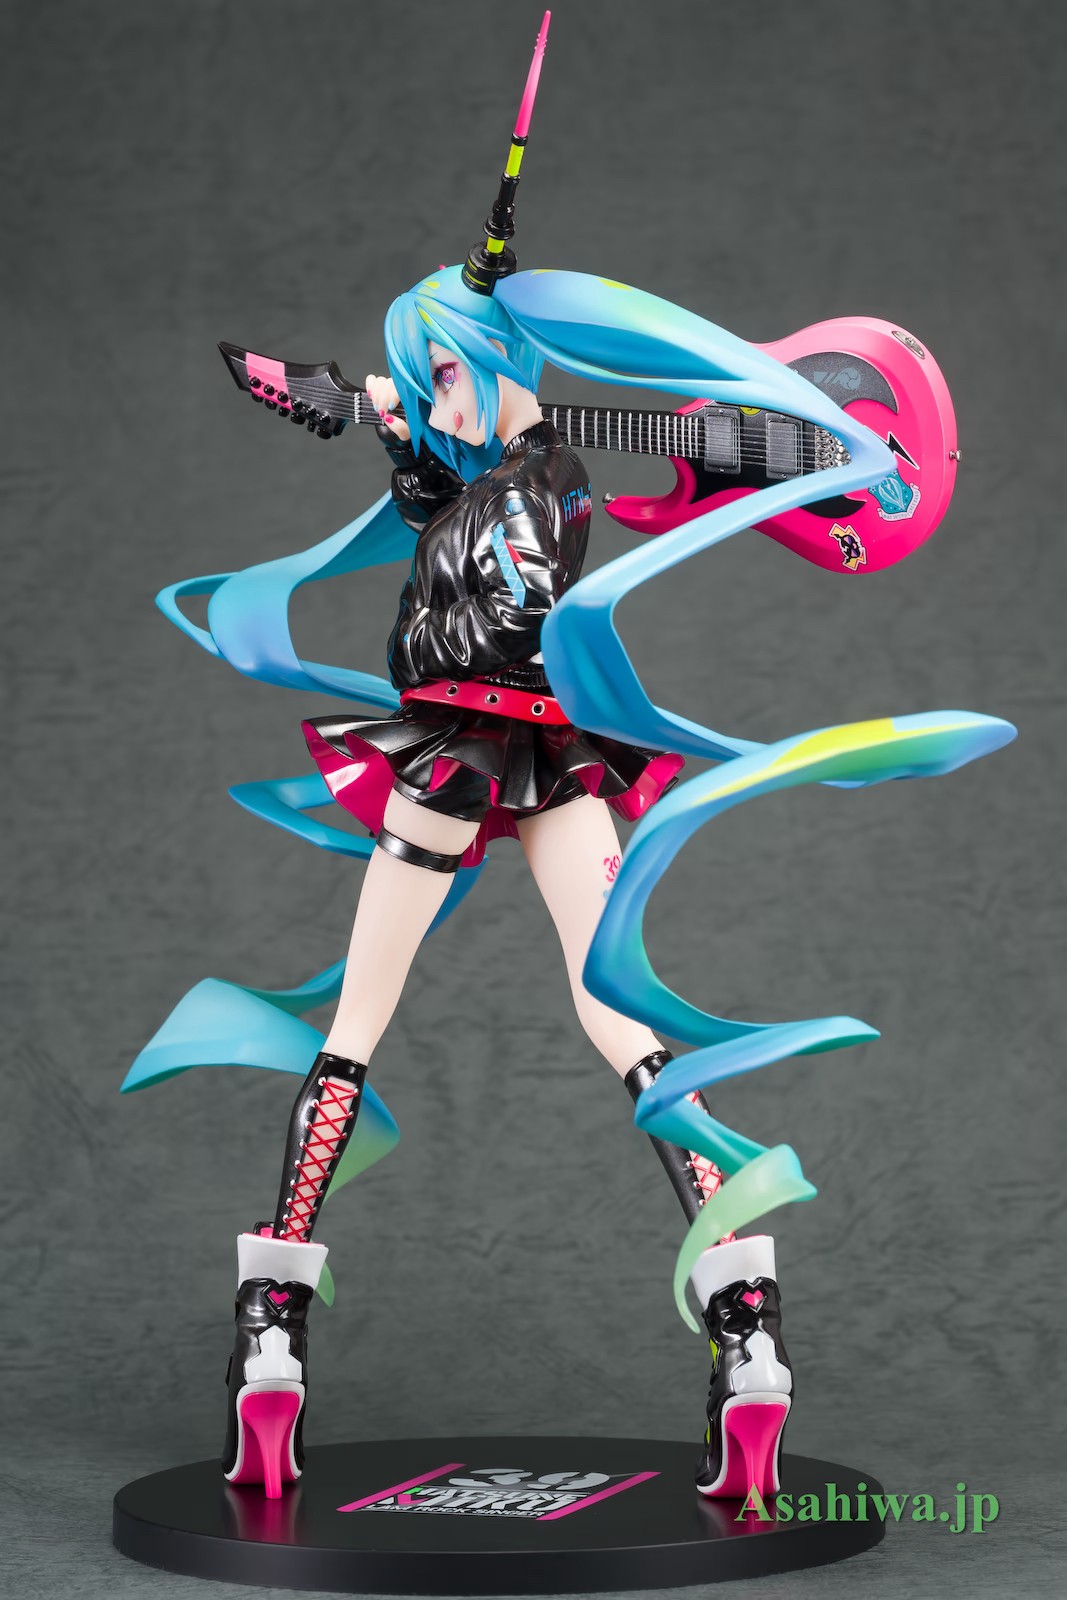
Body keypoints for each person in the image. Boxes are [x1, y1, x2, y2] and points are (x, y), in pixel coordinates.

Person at [131, 15, 1012, 1507]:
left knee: (357, 1026)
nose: (429, 410)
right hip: (561, 763)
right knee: (625, 1024)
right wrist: (357, 395)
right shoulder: (519, 462)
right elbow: (409, 439)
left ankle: (273, 1332)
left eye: (443, 382)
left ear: (484, 370)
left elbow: (495, 512)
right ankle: (748, 1332)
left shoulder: (537, 479)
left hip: (456, 758)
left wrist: (429, 402)